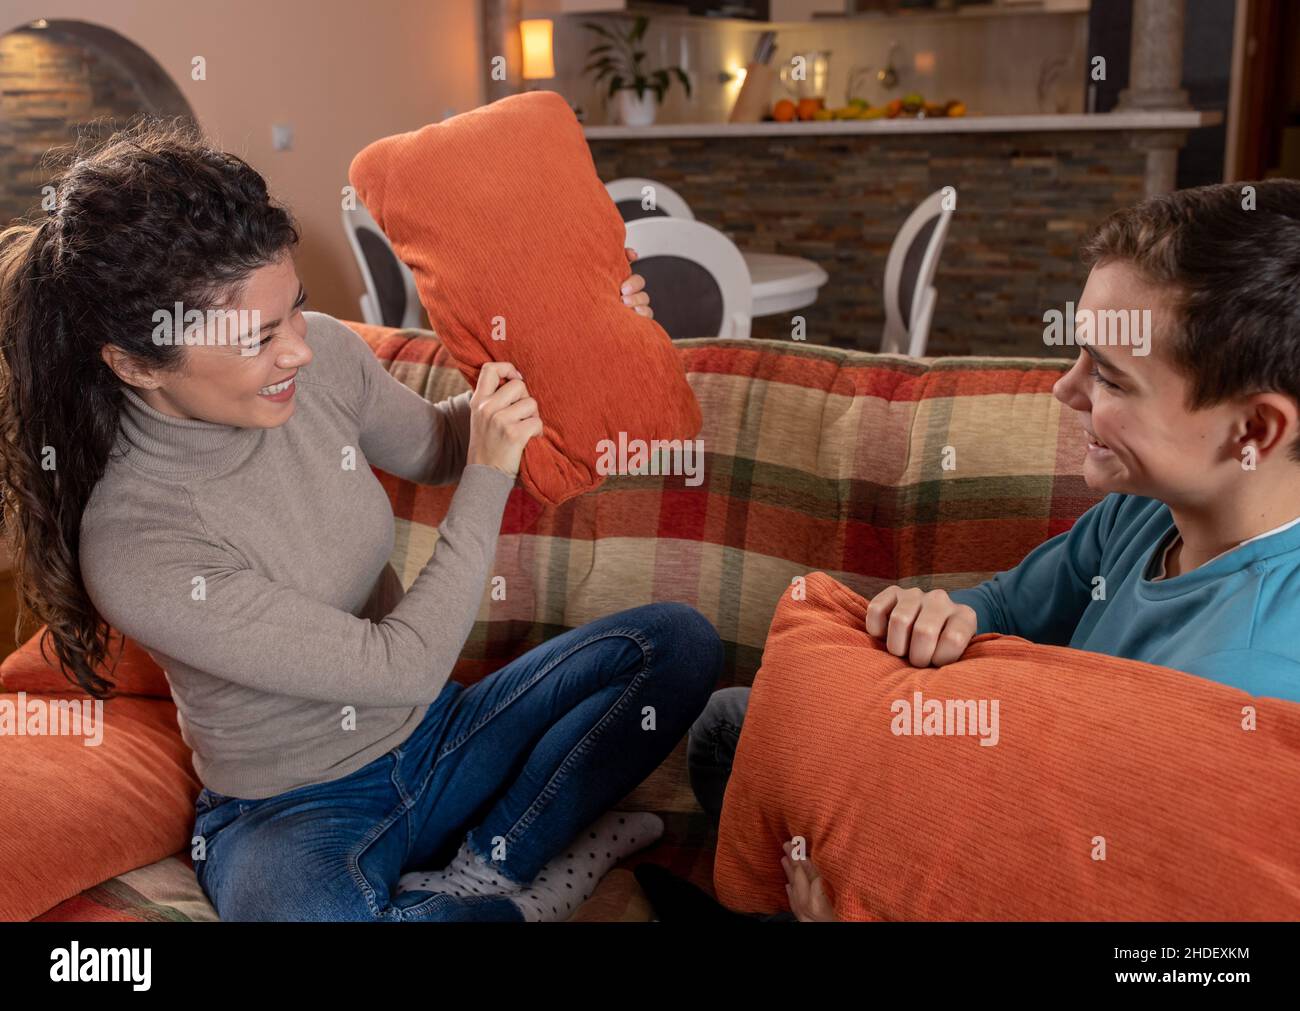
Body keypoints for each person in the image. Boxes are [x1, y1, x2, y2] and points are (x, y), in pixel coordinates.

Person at [0, 117, 724, 922]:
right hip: (289, 813)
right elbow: (400, 663)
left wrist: (589, 332)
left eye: (297, 310)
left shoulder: (326, 360)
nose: (299, 353)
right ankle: (522, 889)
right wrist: (492, 472)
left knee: (677, 645)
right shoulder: (136, 544)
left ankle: (497, 866)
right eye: (257, 338)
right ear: (134, 363)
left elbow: (444, 445)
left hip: (442, 739)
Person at [686, 179, 1300, 921]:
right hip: (989, 786)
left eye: (1108, 376)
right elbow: (1006, 604)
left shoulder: (1250, 689)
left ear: (1255, 431)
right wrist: (944, 615)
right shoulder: (1140, 515)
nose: (1066, 391)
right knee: (735, 721)